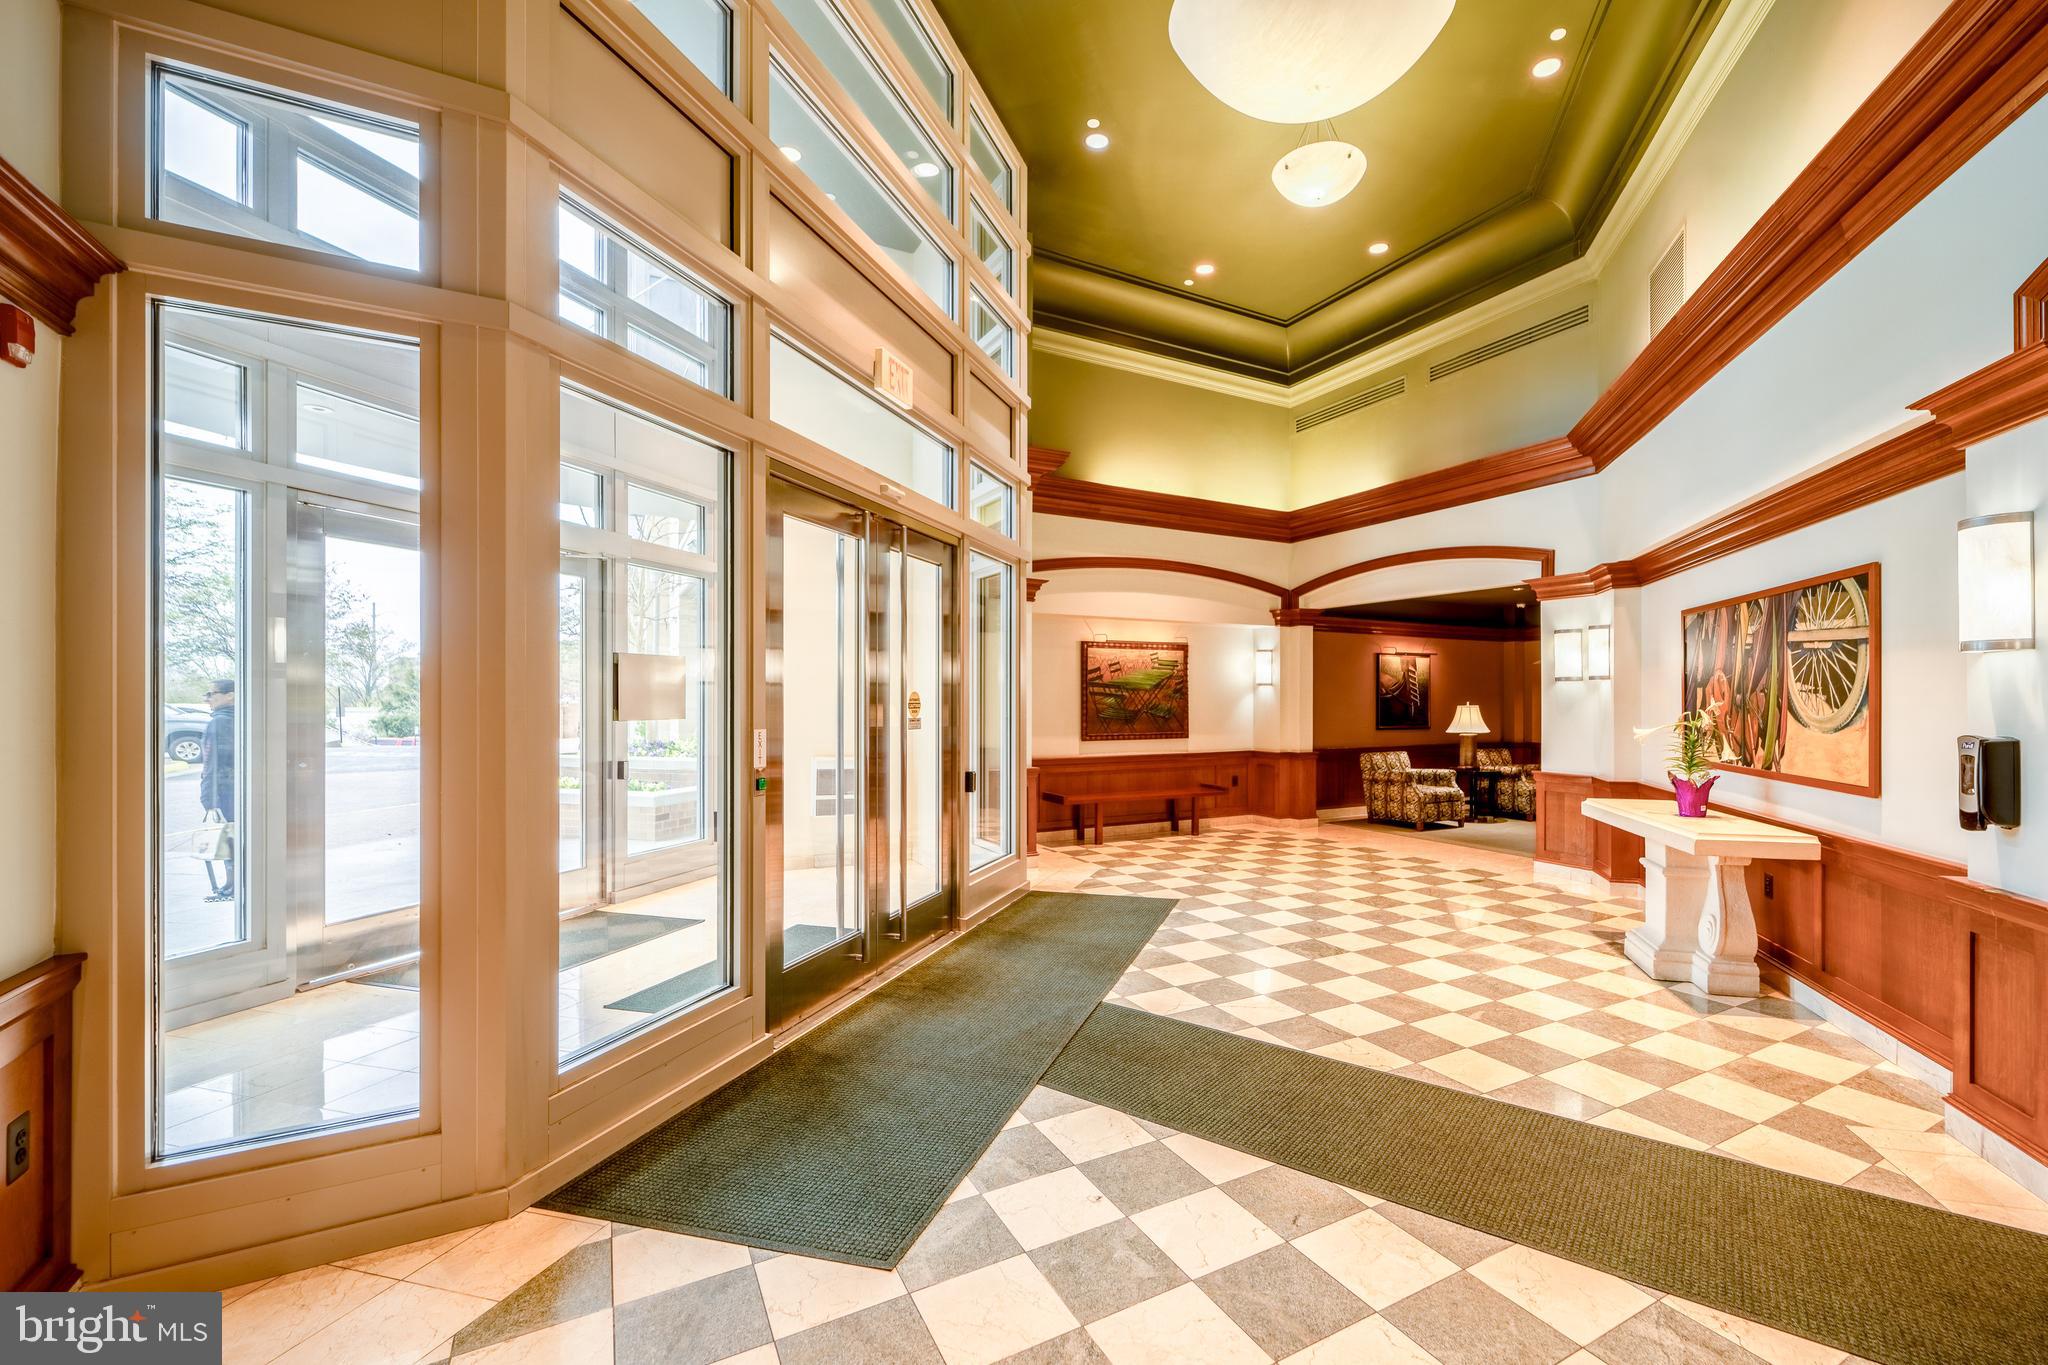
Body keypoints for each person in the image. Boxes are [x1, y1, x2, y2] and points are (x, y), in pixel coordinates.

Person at [200, 678, 237, 903]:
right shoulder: (245, 719)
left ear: (230, 695)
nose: (208, 699)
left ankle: (232, 885)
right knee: (238, 838)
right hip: (241, 789)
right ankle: (235, 884)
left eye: (212, 693)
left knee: (229, 838)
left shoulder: (218, 723)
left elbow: (210, 763)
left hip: (225, 790)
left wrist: (207, 798)